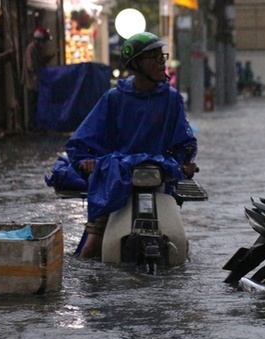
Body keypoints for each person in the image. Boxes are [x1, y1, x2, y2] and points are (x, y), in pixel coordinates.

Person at [65, 32, 197, 259]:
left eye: (161, 56)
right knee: (92, 248)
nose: (161, 61)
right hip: (116, 180)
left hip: (158, 178)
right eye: (153, 56)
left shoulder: (172, 98)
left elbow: (183, 140)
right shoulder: (113, 98)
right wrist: (87, 160)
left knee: (180, 249)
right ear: (135, 63)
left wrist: (185, 161)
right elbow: (85, 138)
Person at [21, 27, 55, 130]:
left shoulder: (37, 49)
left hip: (36, 81)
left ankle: (36, 124)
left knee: (36, 103)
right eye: (43, 41)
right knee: (32, 103)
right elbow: (31, 65)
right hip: (32, 81)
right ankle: (32, 125)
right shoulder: (31, 48)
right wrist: (36, 74)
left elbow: (39, 61)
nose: (44, 44)